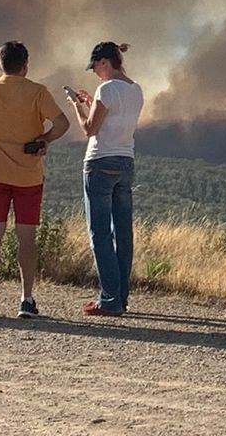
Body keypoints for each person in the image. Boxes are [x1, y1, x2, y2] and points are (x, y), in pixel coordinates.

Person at [0, 41, 68, 318]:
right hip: (29, 176)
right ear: (26, 64)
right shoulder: (37, 92)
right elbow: (62, 123)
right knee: (27, 239)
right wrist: (44, 139)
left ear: (1, 64)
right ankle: (27, 299)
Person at [68, 41, 145, 317]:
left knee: (99, 234)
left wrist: (78, 107)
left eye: (95, 67)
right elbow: (114, 119)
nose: (94, 73)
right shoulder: (136, 89)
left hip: (100, 163)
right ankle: (121, 297)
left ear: (104, 62)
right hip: (126, 162)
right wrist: (92, 103)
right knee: (123, 234)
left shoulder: (107, 88)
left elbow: (90, 129)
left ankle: (109, 298)